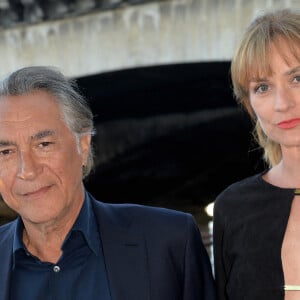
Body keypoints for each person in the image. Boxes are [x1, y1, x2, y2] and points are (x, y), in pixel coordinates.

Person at [0, 66, 216, 300]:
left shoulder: (169, 242)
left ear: (82, 147)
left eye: (44, 145)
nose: (27, 171)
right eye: (6, 152)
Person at [213, 8, 300, 300]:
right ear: (249, 105)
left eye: (297, 78)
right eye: (262, 87)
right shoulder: (234, 208)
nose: (282, 103)